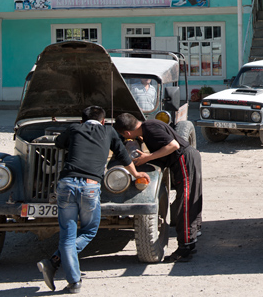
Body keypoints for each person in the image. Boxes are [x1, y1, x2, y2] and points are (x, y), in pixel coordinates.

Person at [37, 106, 149, 294]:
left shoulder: (74, 129)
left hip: (66, 185)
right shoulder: (108, 131)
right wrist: (136, 173)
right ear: (103, 121)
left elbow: (58, 143)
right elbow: (122, 155)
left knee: (67, 234)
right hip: (89, 186)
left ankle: (72, 280)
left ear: (82, 121)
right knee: (89, 231)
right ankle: (55, 263)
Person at [114, 113, 202, 262]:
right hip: (186, 160)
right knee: (188, 200)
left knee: (185, 203)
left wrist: (148, 157)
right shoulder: (148, 126)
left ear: (127, 133)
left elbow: (173, 145)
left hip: (183, 160)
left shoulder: (150, 129)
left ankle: (184, 249)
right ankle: (190, 242)